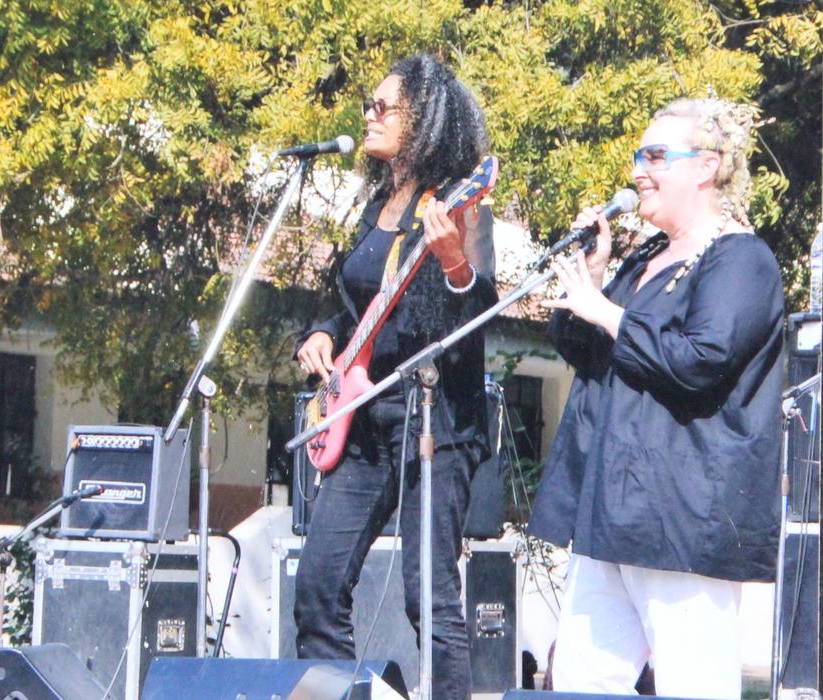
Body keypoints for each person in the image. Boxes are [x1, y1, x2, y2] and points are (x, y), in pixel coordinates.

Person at [530, 97, 784, 699]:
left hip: (684, 520)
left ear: (707, 166)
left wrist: (607, 312)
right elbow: (592, 356)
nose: (638, 171)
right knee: (580, 685)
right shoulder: (645, 258)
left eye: (655, 156)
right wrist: (595, 279)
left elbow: (701, 361)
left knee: (694, 687)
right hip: (610, 513)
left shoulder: (742, 260)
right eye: (638, 157)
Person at [293, 53, 497, 699]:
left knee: (427, 597)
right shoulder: (377, 205)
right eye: (369, 104)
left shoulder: (459, 203)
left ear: (424, 119)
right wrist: (321, 333)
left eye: (384, 107)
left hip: (434, 421)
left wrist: (454, 261)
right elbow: (358, 302)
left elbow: (477, 310)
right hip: (362, 418)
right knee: (318, 585)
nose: (369, 115)